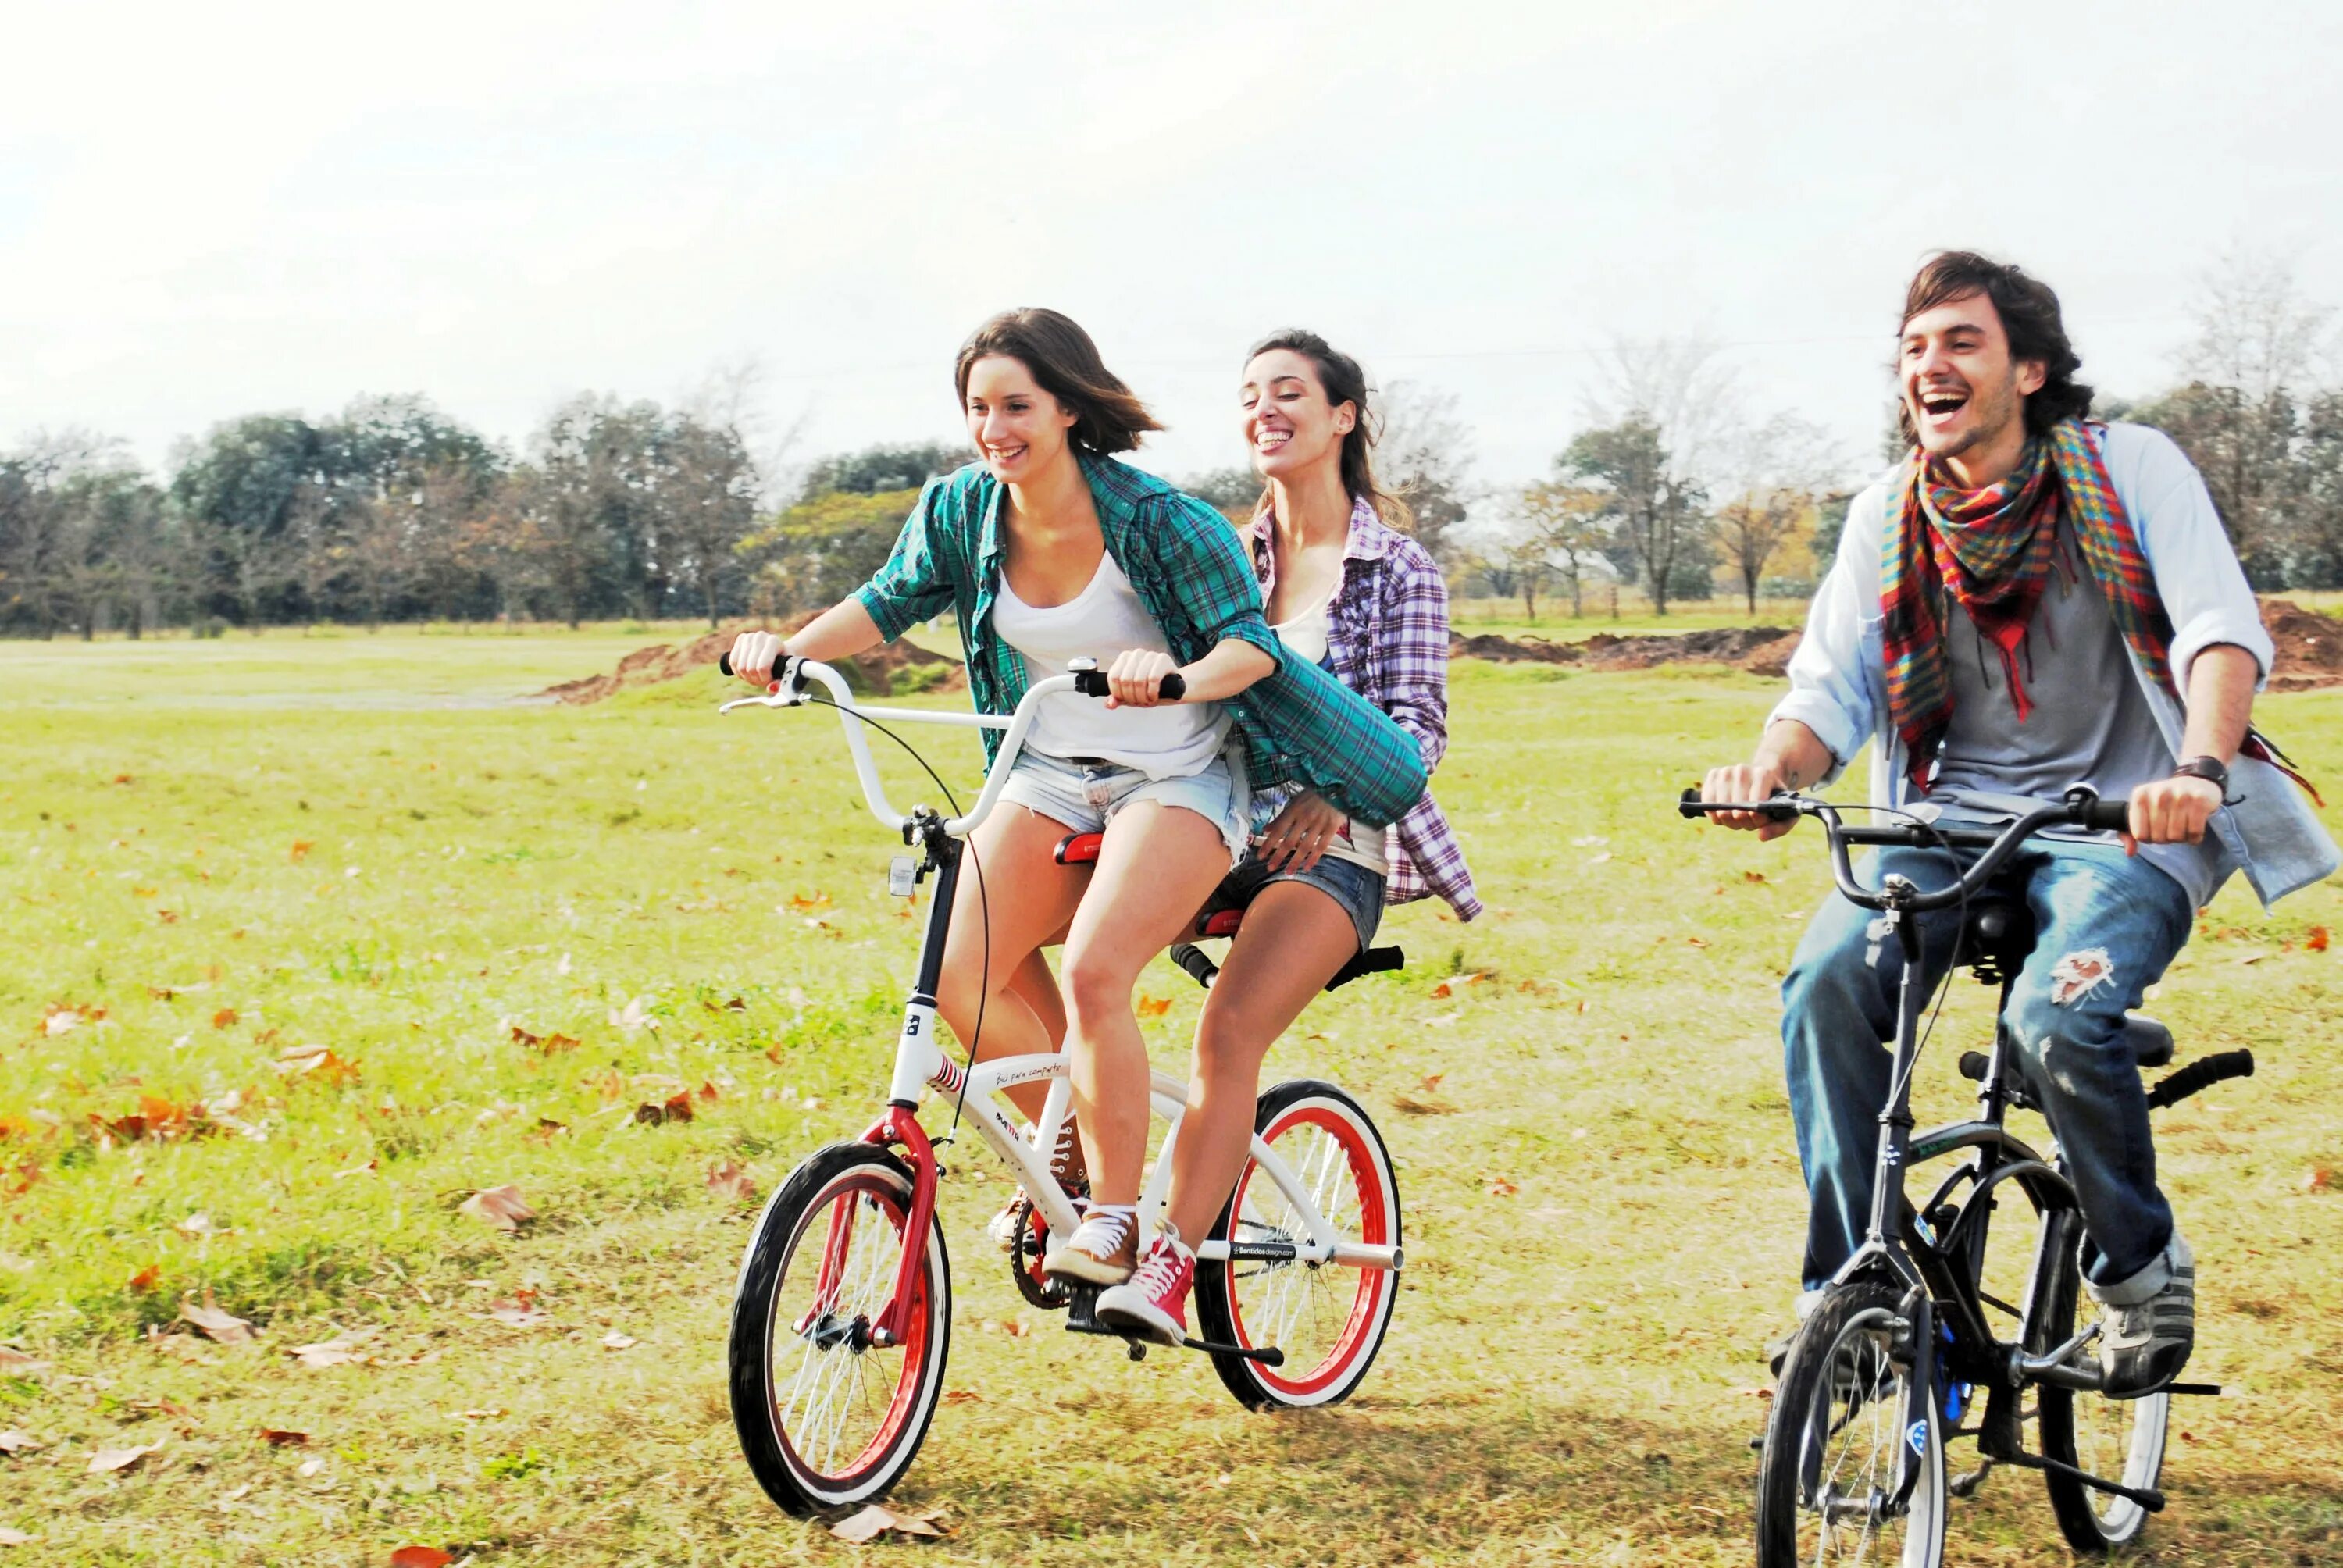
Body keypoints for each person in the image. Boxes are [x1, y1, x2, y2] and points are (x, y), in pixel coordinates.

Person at [1700, 252, 2337, 1398]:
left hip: (2123, 827)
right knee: (1825, 983)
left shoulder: (2130, 469)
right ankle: (1855, 1288)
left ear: (2030, 369)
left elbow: (2216, 631)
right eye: (1914, 349)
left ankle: (2140, 1267)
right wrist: (1772, 773)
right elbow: (1830, 689)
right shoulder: (1889, 514)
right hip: (1945, 825)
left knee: (2057, 1017)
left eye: (1961, 342)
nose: (1929, 366)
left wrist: (2195, 768)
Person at [728, 309, 1429, 1289]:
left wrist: (1176, 680)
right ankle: (1066, 1133)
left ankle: (1112, 1215)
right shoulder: (962, 510)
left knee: (1100, 967)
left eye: (1016, 404)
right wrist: (792, 649)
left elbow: (1249, 648)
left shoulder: (1159, 520)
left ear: (1066, 406)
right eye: (978, 408)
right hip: (1044, 772)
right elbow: (889, 598)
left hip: (1173, 776)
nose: (994, 427)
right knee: (956, 976)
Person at [1096, 330, 1479, 1345]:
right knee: (1086, 955)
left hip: (1331, 849)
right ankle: (1087, 1191)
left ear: (1344, 415)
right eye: (1249, 394)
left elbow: (1418, 724)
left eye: (1288, 391)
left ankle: (1170, 1268)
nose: (1264, 408)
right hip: (1213, 820)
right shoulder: (1223, 554)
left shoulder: (1399, 570)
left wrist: (1335, 794)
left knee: (1228, 1032)